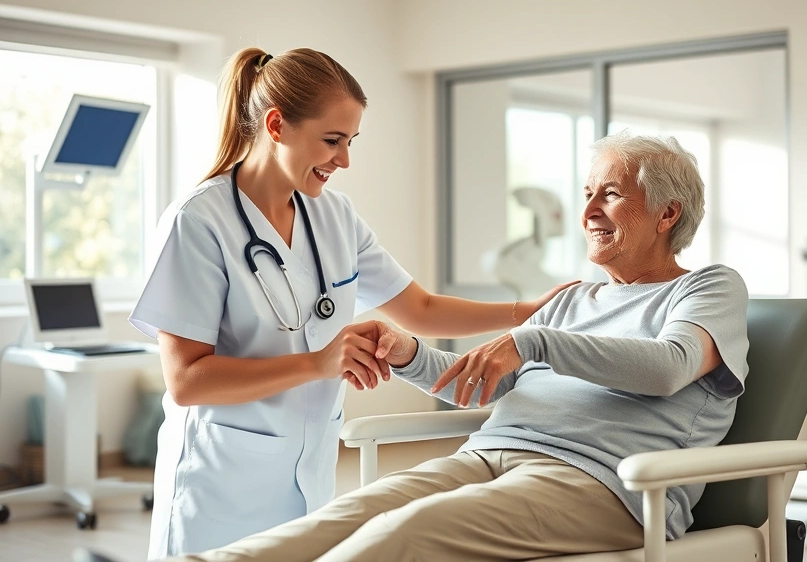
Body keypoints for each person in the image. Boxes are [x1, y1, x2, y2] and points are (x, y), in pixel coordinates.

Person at [77, 131, 749, 562]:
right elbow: (473, 384)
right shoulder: (576, 297)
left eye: (611, 195)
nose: (588, 212)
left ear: (667, 214)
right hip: (494, 454)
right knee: (347, 516)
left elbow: (669, 370)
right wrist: (406, 353)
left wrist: (534, 340)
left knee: (398, 539)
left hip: (603, 486)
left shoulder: (709, 289)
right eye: (586, 195)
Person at [127, 47, 567, 558]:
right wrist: (319, 363)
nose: (345, 160)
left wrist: (526, 313)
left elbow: (419, 309)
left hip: (311, 470)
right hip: (222, 477)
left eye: (351, 141)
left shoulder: (333, 214)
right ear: (276, 125)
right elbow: (186, 381)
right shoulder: (199, 222)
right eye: (332, 141)